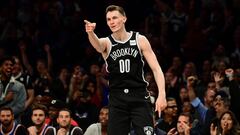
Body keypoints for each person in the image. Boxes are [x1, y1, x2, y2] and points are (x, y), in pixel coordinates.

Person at [84, 5, 167, 135]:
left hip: (139, 96)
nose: (111, 21)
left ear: (124, 18)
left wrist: (162, 94)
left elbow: (156, 69)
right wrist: (90, 33)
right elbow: (97, 46)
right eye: (108, 19)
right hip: (117, 99)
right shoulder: (107, 42)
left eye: (115, 18)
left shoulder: (140, 40)